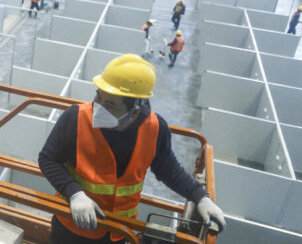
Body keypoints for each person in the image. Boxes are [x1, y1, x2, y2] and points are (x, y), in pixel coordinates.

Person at [38, 54, 225, 243]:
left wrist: (200, 197)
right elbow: (48, 159)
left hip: (119, 231)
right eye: (98, 95)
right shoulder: (75, 118)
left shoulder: (155, 129)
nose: (98, 107)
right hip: (72, 227)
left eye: (110, 104)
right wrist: (74, 193)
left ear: (135, 111)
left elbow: (168, 169)